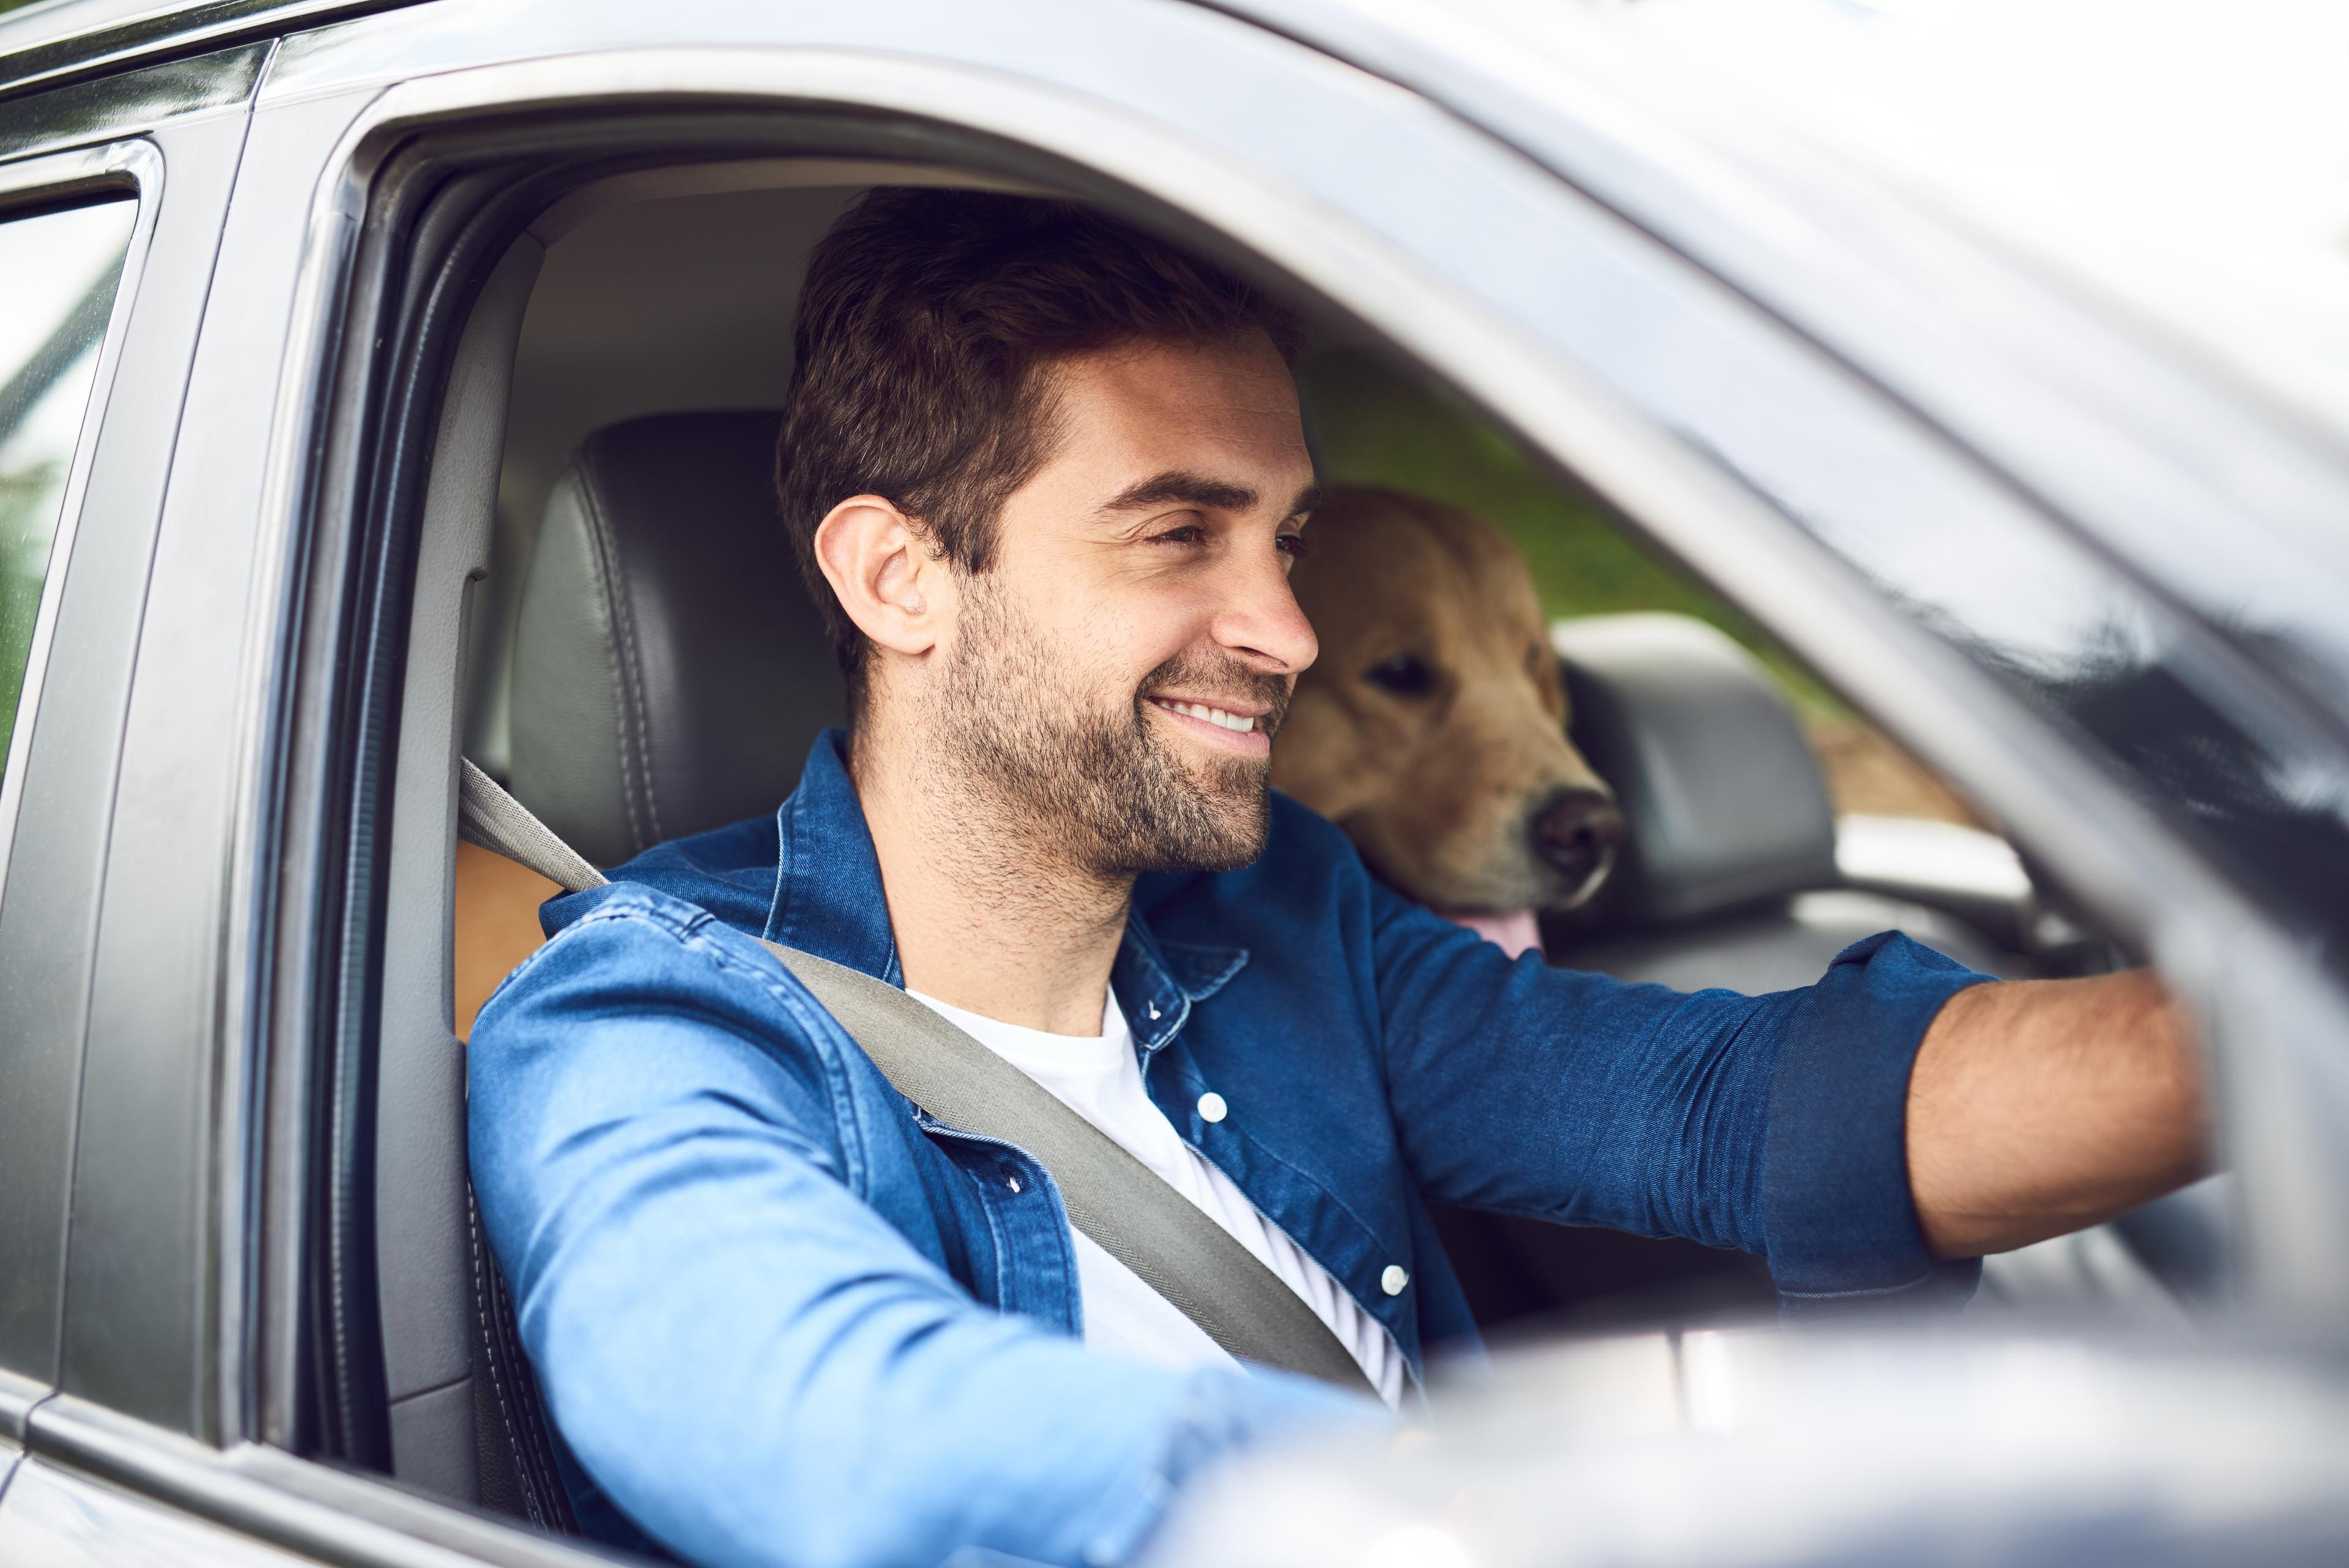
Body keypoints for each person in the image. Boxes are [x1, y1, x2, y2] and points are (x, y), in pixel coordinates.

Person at [467, 188, 2205, 1568]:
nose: (1289, 630)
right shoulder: (653, 1010)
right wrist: (1484, 1501)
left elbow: (1730, 1104)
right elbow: (803, 1419)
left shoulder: (1287, 915)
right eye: (1178, 531)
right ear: (900, 577)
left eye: (1283, 540)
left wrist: (2238, 1054)